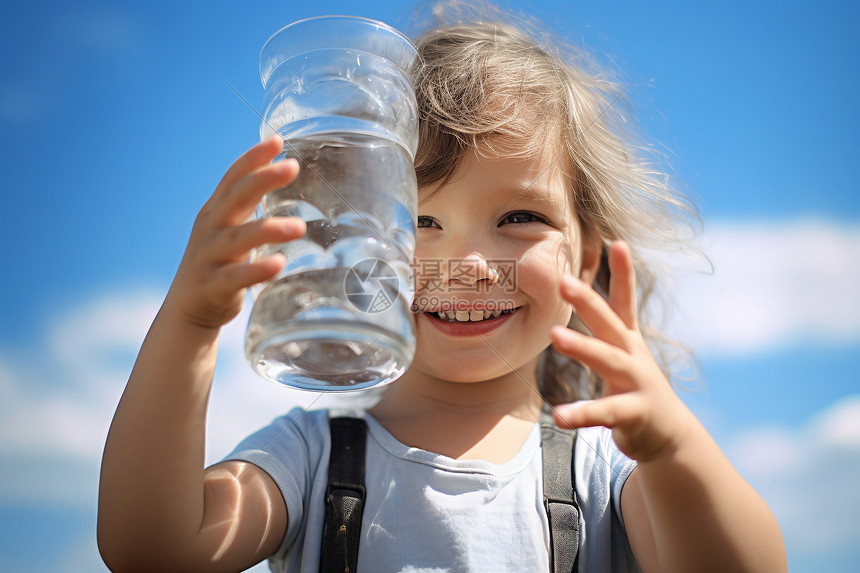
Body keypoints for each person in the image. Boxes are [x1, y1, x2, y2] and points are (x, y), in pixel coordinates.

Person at [97, 7, 787, 573]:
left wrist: (670, 447)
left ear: (585, 258)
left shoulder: (604, 473)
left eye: (519, 217)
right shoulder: (311, 454)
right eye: (420, 220)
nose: (469, 265)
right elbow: (152, 547)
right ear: (350, 245)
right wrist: (189, 325)